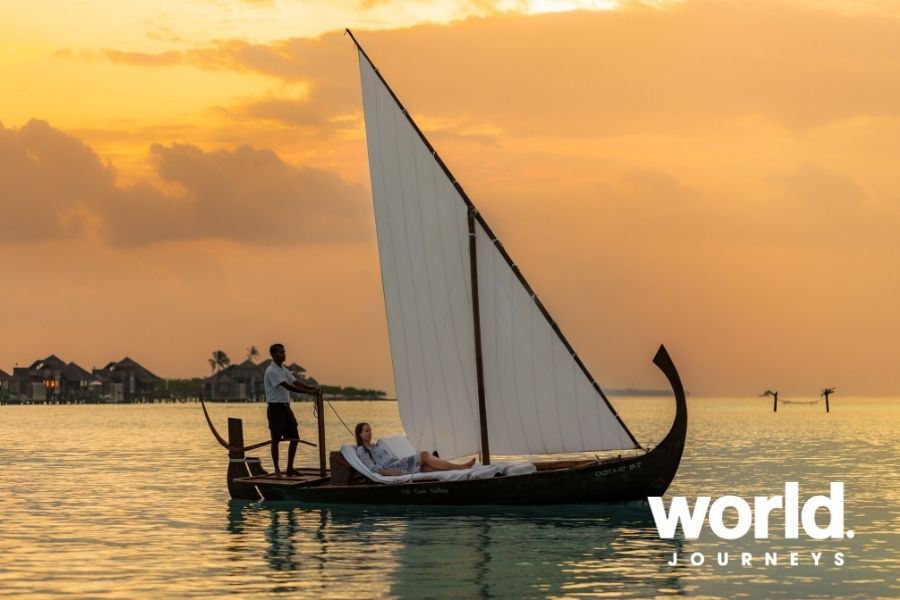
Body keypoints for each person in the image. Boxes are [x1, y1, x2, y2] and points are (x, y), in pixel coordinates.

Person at [264, 343, 320, 477]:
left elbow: (294, 381)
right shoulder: (271, 371)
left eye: (284, 352)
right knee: (275, 440)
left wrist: (311, 388)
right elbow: (288, 386)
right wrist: (308, 392)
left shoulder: (283, 369)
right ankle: (277, 470)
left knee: (295, 438)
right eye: (280, 352)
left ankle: (290, 468)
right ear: (273, 355)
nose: (283, 354)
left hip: (286, 408)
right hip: (275, 409)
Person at [354, 422, 475, 476]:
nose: (370, 433)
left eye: (370, 430)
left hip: (396, 463)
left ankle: (458, 469)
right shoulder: (362, 450)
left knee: (424, 467)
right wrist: (390, 473)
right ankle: (460, 467)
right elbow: (373, 468)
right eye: (366, 431)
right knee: (424, 455)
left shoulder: (374, 445)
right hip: (392, 468)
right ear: (360, 434)